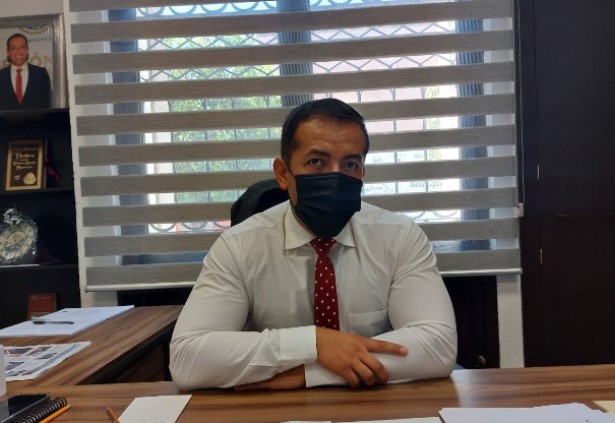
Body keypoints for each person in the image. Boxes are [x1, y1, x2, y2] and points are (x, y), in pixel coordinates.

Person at [170, 98, 457, 390]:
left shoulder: (399, 236)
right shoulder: (239, 246)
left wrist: (307, 373)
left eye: (350, 164)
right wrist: (315, 342)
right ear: (283, 173)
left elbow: (437, 345)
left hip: (373, 403)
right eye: (316, 162)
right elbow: (188, 359)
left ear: (362, 173)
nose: (335, 177)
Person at [0, 33, 51, 111]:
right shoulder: (1, 76)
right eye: (13, 48)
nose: (18, 51)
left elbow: (46, 106)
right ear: (8, 53)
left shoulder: (41, 74)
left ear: (27, 50)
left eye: (22, 47)